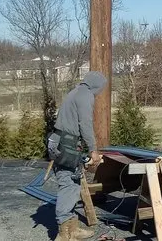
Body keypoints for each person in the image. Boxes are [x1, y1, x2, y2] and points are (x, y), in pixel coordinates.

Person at [48, 71, 106, 241]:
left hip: (61, 141)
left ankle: (72, 228)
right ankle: (64, 234)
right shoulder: (85, 96)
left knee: (73, 183)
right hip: (68, 145)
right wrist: (93, 149)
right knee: (68, 184)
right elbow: (85, 124)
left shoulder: (75, 92)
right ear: (96, 85)